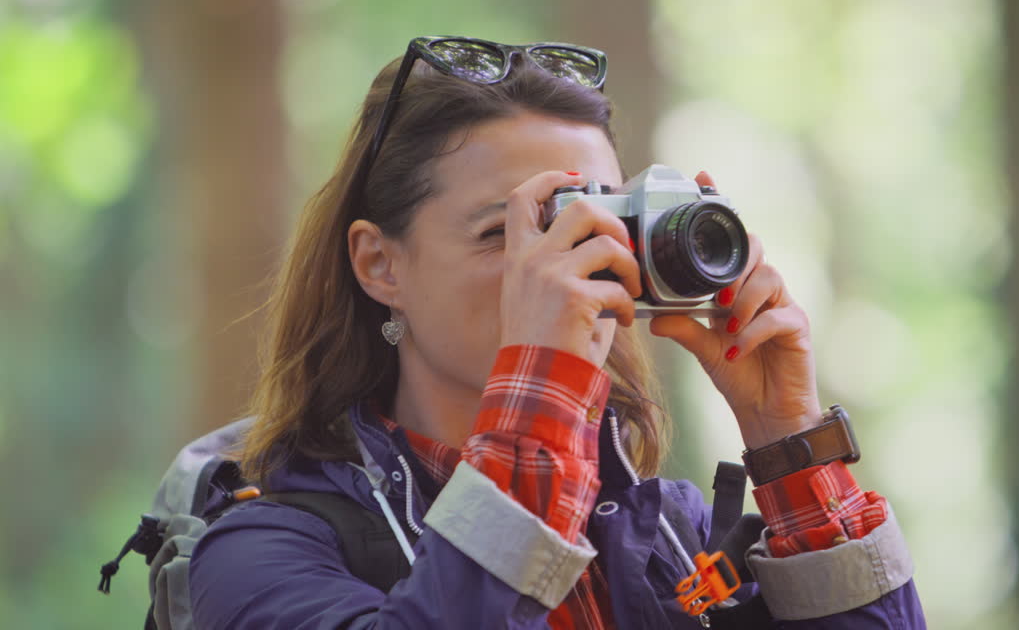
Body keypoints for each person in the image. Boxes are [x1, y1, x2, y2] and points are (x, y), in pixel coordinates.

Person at [188, 36, 926, 629]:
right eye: (507, 232)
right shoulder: (261, 551)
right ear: (380, 265)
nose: (561, 269)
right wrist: (541, 385)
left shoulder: (671, 534)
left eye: (594, 228)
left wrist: (788, 440)